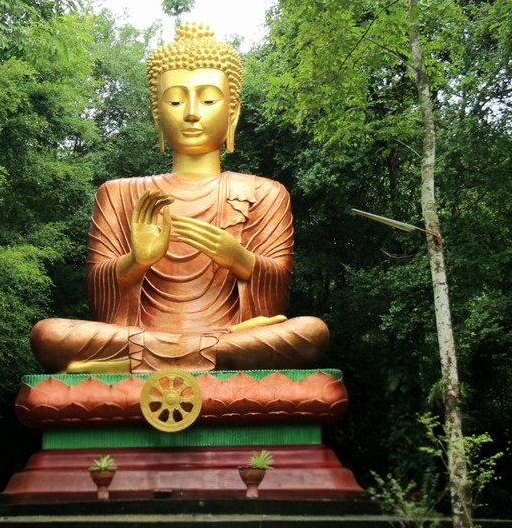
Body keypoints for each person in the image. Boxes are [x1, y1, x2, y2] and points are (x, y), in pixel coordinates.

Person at [30, 23, 328, 373]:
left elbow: (275, 299)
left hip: (229, 333)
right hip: (157, 336)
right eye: (174, 100)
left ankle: (131, 363)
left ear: (232, 111)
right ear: (157, 113)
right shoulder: (118, 193)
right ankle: (197, 358)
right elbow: (100, 301)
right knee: (48, 335)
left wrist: (239, 258)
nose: (191, 112)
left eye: (208, 99)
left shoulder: (265, 192)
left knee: (311, 333)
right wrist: (137, 261)